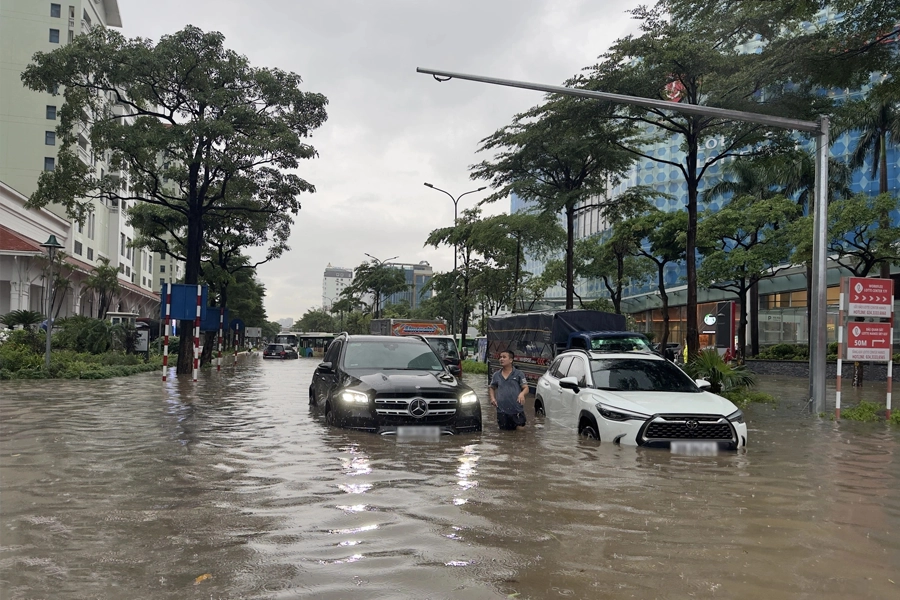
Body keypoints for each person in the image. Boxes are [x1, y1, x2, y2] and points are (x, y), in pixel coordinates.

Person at [488, 350, 529, 430]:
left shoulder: (518, 374)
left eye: (504, 357)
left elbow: (526, 388)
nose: (501, 359)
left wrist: (522, 394)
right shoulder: (496, 375)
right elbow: (492, 388)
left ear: (511, 360)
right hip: (502, 411)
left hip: (516, 410)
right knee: (504, 434)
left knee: (520, 433)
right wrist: (492, 398)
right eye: (500, 357)